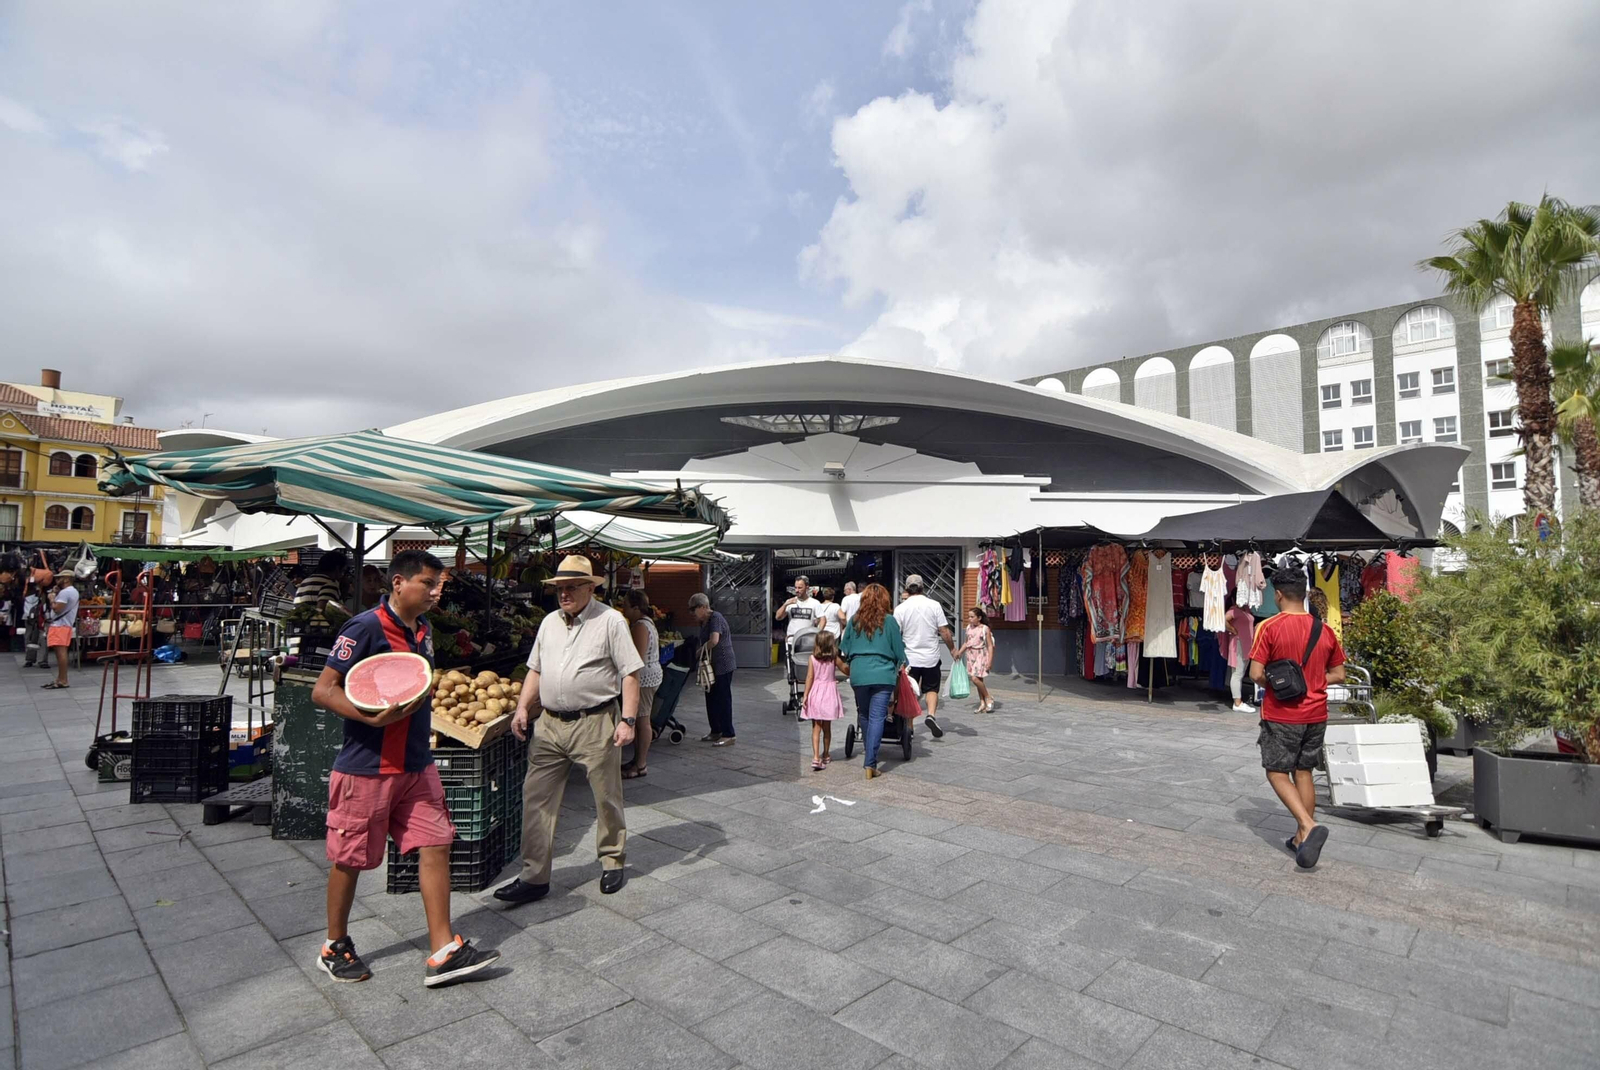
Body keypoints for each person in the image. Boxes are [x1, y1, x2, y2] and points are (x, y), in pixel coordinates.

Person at [312, 550, 500, 986]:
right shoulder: (363, 628)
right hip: (367, 768)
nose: (436, 592)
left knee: (436, 845)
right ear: (399, 583)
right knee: (351, 858)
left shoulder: (424, 630)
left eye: (440, 586)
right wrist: (367, 716)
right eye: (428, 584)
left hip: (417, 763)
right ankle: (334, 945)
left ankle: (443, 950)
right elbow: (323, 691)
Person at [496, 555, 642, 905]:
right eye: (559, 588)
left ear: (591, 588)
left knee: (606, 796)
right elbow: (536, 670)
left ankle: (612, 860)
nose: (564, 594)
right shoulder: (548, 623)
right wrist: (521, 707)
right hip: (549, 725)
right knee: (536, 798)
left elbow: (630, 673)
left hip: (596, 722)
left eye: (572, 587)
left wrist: (629, 720)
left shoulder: (611, 621)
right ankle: (534, 876)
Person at [1248, 573, 1347, 870]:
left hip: (1283, 714)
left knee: (1277, 771)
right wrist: (1311, 682)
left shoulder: (1269, 627)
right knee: (1303, 771)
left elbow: (1255, 674)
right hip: (1317, 714)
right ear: (1303, 594)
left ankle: (1308, 824)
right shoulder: (1324, 630)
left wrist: (1283, 686)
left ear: (1278, 595)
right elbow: (1339, 674)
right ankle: (1300, 838)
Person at [840, 583, 906, 779]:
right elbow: (899, 652)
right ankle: (870, 763)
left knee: (865, 714)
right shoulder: (890, 621)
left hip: (859, 673)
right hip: (883, 674)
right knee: (878, 717)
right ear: (885, 600)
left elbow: (844, 648)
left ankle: (870, 758)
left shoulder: (854, 621)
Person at [892, 575, 955, 738]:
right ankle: (931, 715)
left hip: (909, 658)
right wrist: (952, 649)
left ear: (906, 589)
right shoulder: (934, 605)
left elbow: (895, 635)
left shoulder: (900, 609)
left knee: (910, 691)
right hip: (931, 656)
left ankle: (910, 727)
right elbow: (944, 631)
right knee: (932, 688)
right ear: (922, 588)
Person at [619, 590, 662, 779]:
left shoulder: (640, 626)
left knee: (643, 721)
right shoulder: (645, 623)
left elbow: (637, 656)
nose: (623, 609)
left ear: (636, 608)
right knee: (639, 720)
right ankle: (637, 760)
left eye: (626, 606)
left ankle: (641, 764)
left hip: (644, 679)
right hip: (650, 675)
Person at [689, 592, 737, 745]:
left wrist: (700, 650)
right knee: (711, 698)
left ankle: (728, 734)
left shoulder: (715, 617)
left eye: (693, 609)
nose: (692, 613)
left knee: (723, 698)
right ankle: (715, 730)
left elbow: (714, 640)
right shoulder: (703, 621)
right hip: (711, 665)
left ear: (703, 607)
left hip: (723, 663)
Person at [801, 629, 845, 770]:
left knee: (816, 727)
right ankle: (826, 754)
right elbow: (845, 669)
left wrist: (806, 694)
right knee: (827, 727)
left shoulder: (812, 659)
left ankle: (815, 757)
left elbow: (809, 677)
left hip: (816, 693)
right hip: (829, 694)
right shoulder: (834, 659)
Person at [955, 606, 995, 713]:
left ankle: (988, 697)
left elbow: (990, 646)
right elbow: (966, 642)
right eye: (969, 617)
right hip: (970, 655)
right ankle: (982, 703)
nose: (970, 619)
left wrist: (990, 661)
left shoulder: (984, 629)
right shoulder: (968, 628)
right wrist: (959, 653)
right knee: (979, 680)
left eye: (972, 617)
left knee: (974, 679)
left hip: (981, 655)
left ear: (979, 618)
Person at [42, 575, 79, 690]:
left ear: (67, 579)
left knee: (60, 652)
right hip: (65, 624)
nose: (57, 580)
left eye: (60, 578)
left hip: (60, 625)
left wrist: (52, 599)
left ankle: (63, 680)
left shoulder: (65, 593)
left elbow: (57, 609)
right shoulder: (73, 591)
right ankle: (60, 678)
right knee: (61, 652)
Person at [1226, 596, 1257, 714]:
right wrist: (1233, 630)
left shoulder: (1245, 610)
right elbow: (1224, 620)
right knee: (1237, 673)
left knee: (1240, 672)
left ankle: (1238, 701)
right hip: (1238, 643)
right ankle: (1237, 702)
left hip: (1246, 644)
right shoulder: (1233, 610)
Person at [776, 575, 823, 645]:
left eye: (800, 588)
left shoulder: (815, 603)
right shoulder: (790, 602)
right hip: (792, 641)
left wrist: (818, 634)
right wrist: (785, 604)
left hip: (808, 641)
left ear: (807, 587)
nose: (797, 590)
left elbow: (823, 619)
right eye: (795, 588)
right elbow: (778, 617)